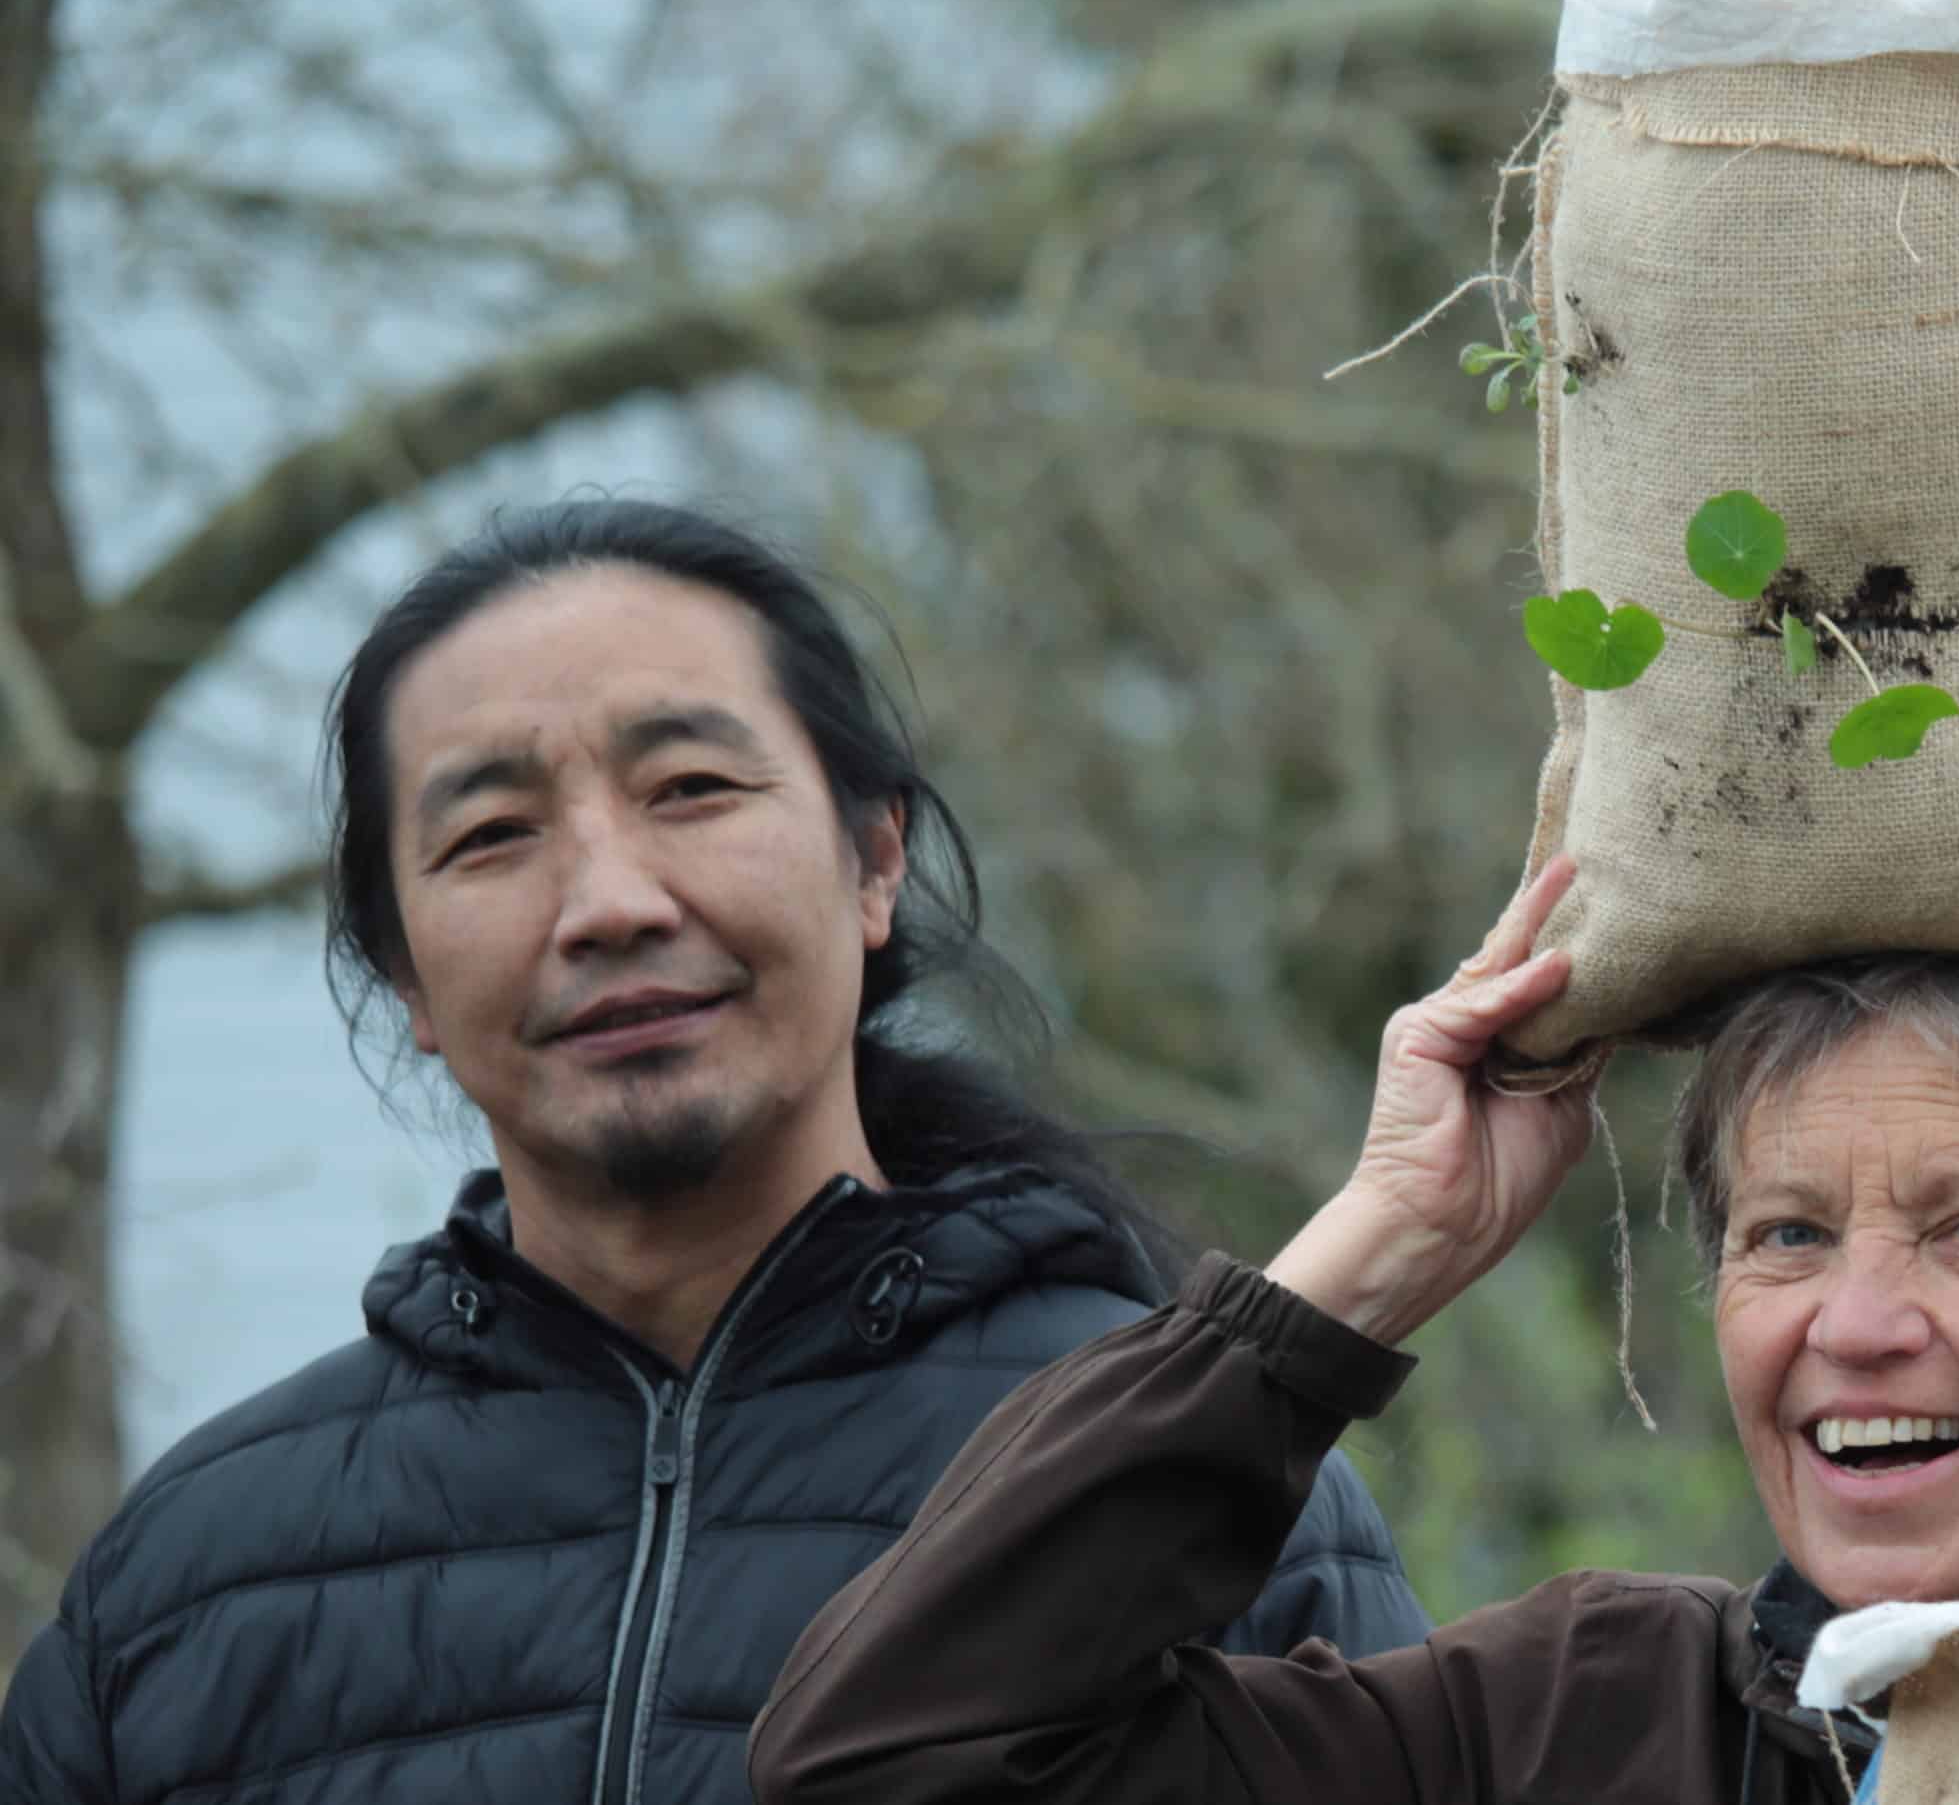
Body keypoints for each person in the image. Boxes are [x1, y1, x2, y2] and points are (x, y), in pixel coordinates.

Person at [0, 502, 1430, 1805]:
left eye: (689, 787)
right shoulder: (189, 1589)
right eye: (492, 832)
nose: (609, 903)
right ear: (404, 980)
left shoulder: (1192, 1481)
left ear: (875, 862)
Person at [745, 858, 1959, 1803]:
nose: (1853, 1325)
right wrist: (1381, 1247)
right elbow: (905, 1760)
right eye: (1784, 1235)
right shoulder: (1573, 1730)